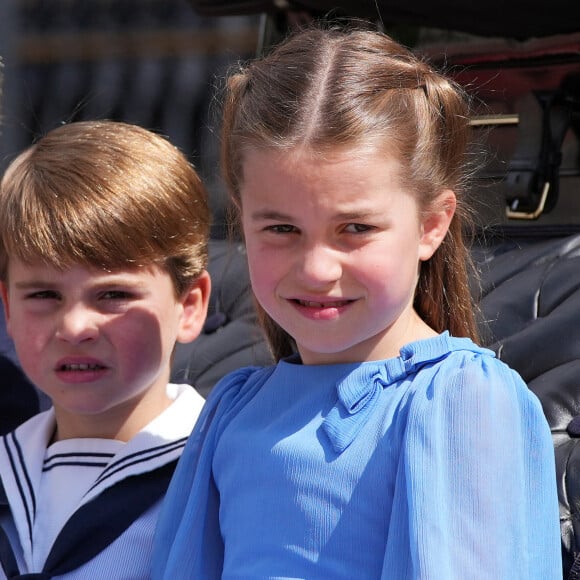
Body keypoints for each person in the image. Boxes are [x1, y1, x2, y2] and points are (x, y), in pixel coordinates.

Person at [151, 26, 562, 579]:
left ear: (431, 226)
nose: (317, 269)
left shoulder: (457, 400)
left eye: (355, 228)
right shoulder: (232, 411)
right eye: (280, 228)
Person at [0, 120, 211, 579]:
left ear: (189, 306)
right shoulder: (5, 465)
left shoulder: (219, 474)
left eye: (113, 295)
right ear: (8, 308)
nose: (75, 327)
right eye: (43, 296)